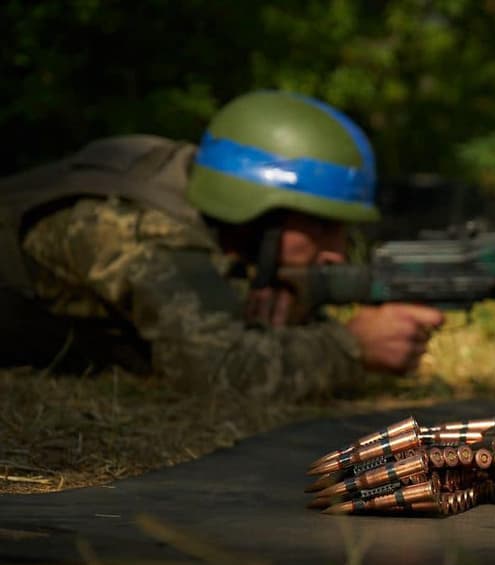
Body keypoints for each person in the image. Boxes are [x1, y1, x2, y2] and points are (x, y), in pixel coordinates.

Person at [0, 90, 444, 399]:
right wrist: (352, 346)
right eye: (322, 226)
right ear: (257, 214)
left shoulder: (211, 213)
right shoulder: (136, 229)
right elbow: (218, 372)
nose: (337, 253)